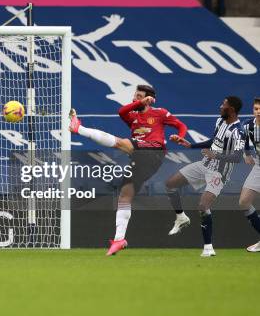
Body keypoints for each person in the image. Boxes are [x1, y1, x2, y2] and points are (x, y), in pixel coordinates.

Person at [69, 84, 187, 255]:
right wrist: (140, 102)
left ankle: (79, 128)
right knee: (125, 195)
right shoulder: (131, 116)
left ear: (149, 99)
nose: (134, 98)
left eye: (139, 96)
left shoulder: (160, 113)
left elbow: (181, 126)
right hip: (139, 159)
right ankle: (119, 239)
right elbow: (121, 111)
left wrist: (180, 137)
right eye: (135, 95)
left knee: (122, 142)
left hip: (155, 151)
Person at [165, 96, 245, 257]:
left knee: (203, 207)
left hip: (219, 172)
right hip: (205, 164)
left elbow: (237, 157)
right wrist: (190, 145)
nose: (220, 106)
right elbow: (215, 141)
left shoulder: (238, 131)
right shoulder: (220, 122)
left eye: (224, 104)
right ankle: (181, 217)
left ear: (232, 109)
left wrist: (216, 156)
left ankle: (208, 248)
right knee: (170, 184)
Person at [239, 97, 260, 252]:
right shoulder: (248, 125)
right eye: (256, 109)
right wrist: (246, 154)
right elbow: (246, 140)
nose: (258, 112)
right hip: (259, 165)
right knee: (244, 201)